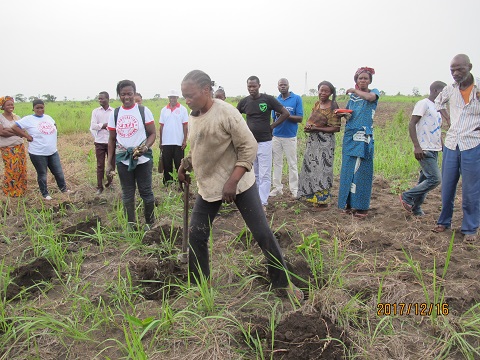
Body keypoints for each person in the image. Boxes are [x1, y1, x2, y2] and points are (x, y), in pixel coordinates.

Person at [178, 69, 303, 300]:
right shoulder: (194, 114)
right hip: (209, 186)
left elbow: (249, 147)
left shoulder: (227, 113)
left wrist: (232, 181)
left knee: (261, 232)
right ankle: (199, 286)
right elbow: (199, 147)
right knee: (196, 234)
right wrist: (185, 164)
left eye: (191, 95)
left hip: (240, 183)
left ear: (206, 90)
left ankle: (283, 284)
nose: (187, 100)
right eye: (184, 95)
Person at [432, 54, 480, 243]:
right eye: (452, 70)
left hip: (473, 143)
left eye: (460, 69)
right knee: (447, 186)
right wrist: (448, 118)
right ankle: (444, 221)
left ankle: (470, 228)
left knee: (471, 189)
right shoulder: (449, 90)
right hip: (452, 142)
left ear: (469, 67)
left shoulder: (478, 88)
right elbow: (438, 102)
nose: (455, 73)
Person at [107, 80, 156, 230]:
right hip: (123, 159)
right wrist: (110, 162)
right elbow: (111, 139)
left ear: (134, 94)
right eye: (123, 94)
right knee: (127, 194)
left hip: (142, 159)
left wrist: (145, 147)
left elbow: (153, 133)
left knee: (146, 192)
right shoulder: (115, 114)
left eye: (129, 94)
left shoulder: (143, 111)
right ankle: (131, 224)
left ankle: (149, 223)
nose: (127, 97)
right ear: (119, 95)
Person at [237, 76, 290, 209]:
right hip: (250, 143)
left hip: (265, 142)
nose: (251, 89)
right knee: (253, 173)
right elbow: (235, 117)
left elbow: (285, 113)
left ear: (259, 86)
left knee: (265, 173)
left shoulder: (268, 99)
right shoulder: (244, 102)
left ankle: (262, 203)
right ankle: (255, 200)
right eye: (249, 86)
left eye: (254, 86)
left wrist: (272, 126)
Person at [337, 67, 380, 218]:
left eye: (365, 78)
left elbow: (369, 99)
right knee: (348, 169)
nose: (362, 81)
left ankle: (362, 207)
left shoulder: (373, 92)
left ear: (370, 81)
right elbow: (350, 114)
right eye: (360, 78)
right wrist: (344, 115)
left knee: (362, 171)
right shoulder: (352, 99)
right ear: (356, 80)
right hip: (350, 136)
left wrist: (354, 90)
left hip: (364, 136)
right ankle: (348, 204)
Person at [399, 81, 446, 217]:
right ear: (436, 91)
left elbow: (436, 129)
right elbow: (412, 124)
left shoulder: (437, 107)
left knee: (424, 179)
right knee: (435, 179)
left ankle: (416, 208)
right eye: (444, 92)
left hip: (434, 148)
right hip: (424, 148)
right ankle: (407, 196)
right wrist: (417, 146)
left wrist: (442, 146)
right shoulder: (423, 103)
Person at [11, 99, 70, 200]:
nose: (39, 110)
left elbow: (55, 127)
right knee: (42, 173)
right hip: (38, 153)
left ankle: (63, 189)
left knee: (58, 172)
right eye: (37, 108)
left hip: (52, 151)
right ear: (33, 109)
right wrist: (26, 136)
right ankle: (45, 194)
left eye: (41, 107)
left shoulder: (48, 118)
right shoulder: (29, 119)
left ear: (44, 108)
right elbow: (14, 126)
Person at [297, 81, 342, 209]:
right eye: (321, 90)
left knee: (323, 169)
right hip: (313, 141)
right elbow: (312, 121)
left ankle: (322, 200)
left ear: (331, 93)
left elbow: (335, 128)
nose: (323, 93)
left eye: (326, 91)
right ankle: (311, 197)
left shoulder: (333, 106)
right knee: (311, 167)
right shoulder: (317, 104)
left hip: (325, 142)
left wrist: (317, 129)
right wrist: (309, 127)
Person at [270, 78, 303, 198]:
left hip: (290, 136)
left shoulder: (296, 99)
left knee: (292, 164)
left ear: (288, 86)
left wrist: (285, 115)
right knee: (277, 163)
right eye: (280, 85)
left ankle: (294, 189)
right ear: (278, 87)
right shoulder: (276, 100)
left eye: (285, 85)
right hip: (277, 136)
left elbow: (300, 118)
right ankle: (277, 188)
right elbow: (274, 118)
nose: (282, 86)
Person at [159, 89, 188, 186]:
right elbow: (161, 127)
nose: (172, 99)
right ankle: (167, 183)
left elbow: (185, 126)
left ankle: (180, 182)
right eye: (171, 97)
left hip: (178, 142)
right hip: (166, 142)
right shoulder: (164, 110)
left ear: (177, 98)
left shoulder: (183, 109)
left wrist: (184, 140)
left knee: (179, 164)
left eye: (174, 97)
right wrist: (161, 141)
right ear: (168, 98)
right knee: (167, 164)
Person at [0, 96, 28, 197]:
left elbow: (22, 131)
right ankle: (9, 192)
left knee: (21, 168)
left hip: (19, 146)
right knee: (11, 169)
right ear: (3, 106)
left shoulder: (17, 117)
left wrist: (12, 131)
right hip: (7, 148)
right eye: (8, 104)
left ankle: (20, 191)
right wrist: (16, 131)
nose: (11, 106)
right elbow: (2, 132)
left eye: (12, 104)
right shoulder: (0, 117)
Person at [90, 91, 113, 195]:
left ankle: (110, 183)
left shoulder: (113, 111)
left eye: (102, 98)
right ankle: (99, 187)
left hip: (111, 142)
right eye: (99, 99)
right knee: (100, 165)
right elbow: (93, 126)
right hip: (99, 141)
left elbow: (115, 126)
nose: (100, 100)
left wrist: (101, 126)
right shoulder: (95, 111)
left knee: (111, 164)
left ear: (108, 99)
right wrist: (104, 125)